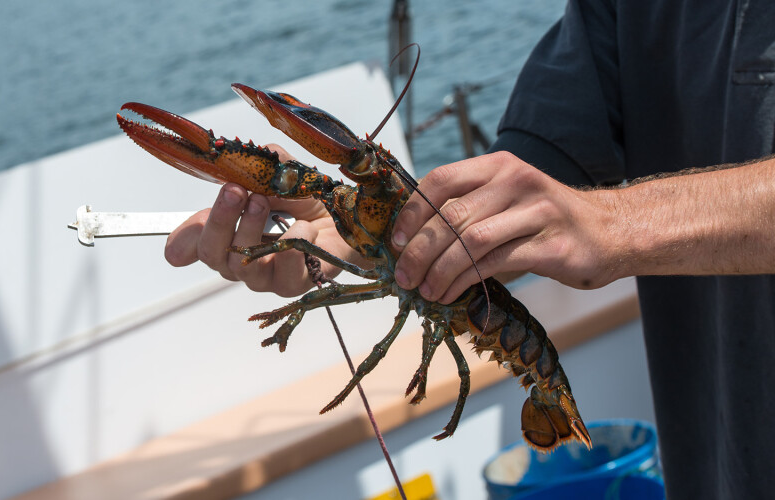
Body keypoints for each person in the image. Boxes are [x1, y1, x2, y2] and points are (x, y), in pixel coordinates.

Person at [165, 1, 775, 498]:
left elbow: (586, 218)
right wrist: (377, 236)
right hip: (716, 462)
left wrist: (614, 222)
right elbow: (530, 173)